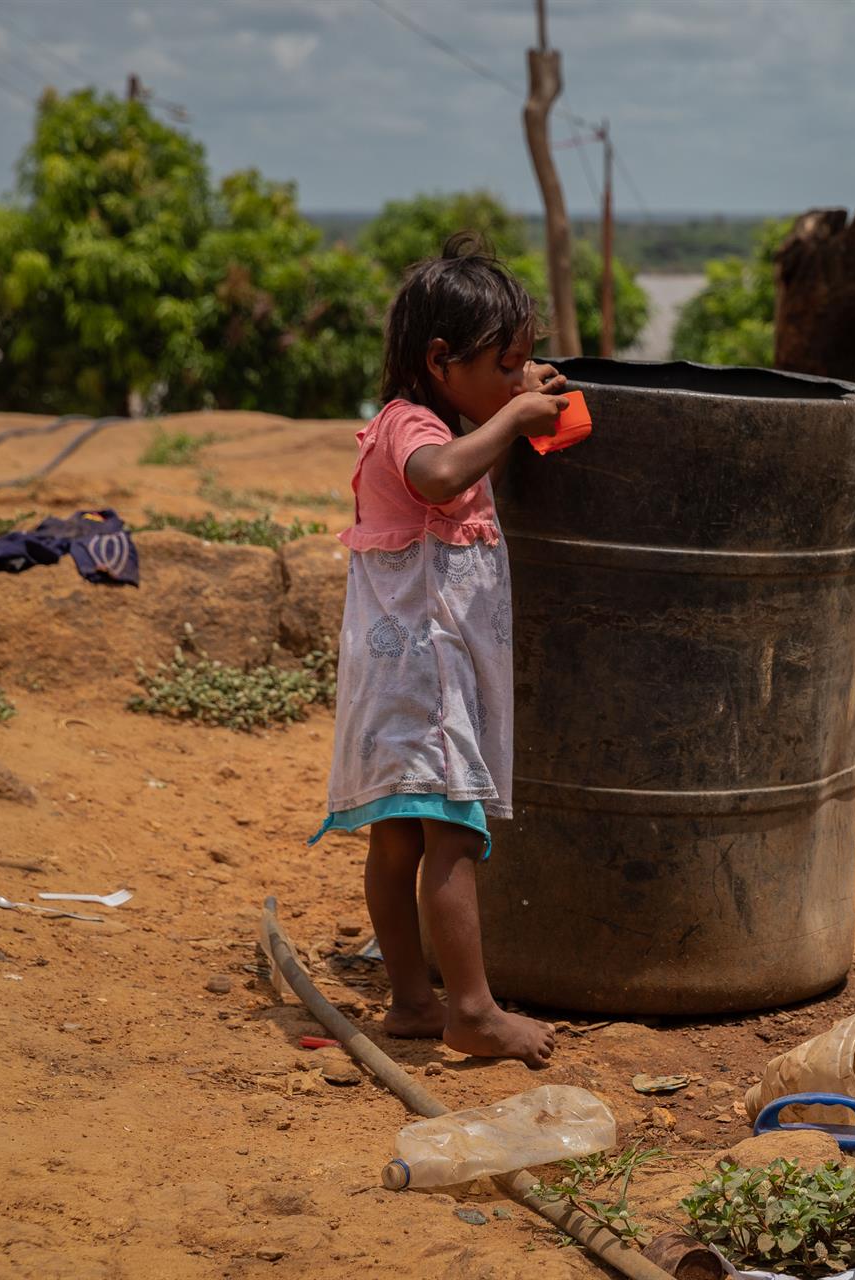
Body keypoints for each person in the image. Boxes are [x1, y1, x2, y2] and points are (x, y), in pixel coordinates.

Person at [309, 233, 566, 1064]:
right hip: (424, 675)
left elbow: (468, 442)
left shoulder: (443, 410)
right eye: (506, 363)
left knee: (399, 837)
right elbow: (437, 476)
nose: (518, 379)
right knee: (450, 835)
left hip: (412, 671)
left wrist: (517, 395)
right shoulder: (408, 428)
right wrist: (518, 416)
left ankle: (412, 1002)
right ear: (440, 358)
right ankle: (472, 1011)